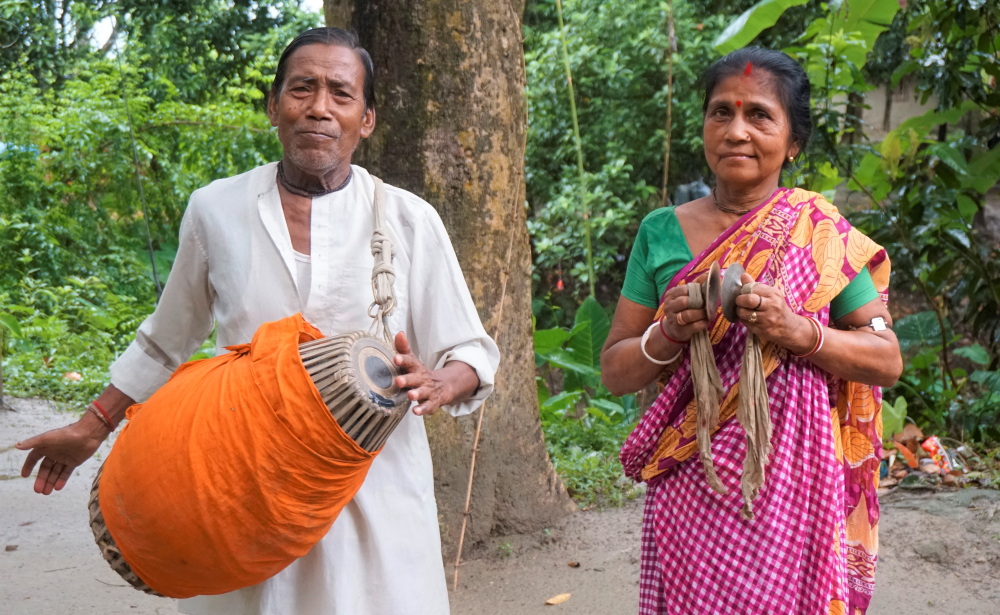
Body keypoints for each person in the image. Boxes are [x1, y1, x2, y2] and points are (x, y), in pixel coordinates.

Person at [15, 27, 499, 615]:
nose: (319, 107)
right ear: (274, 106)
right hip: (236, 487)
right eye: (302, 89)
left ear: (365, 119)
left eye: (341, 95)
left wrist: (443, 381)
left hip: (373, 491)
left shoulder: (409, 218)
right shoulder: (215, 208)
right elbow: (167, 341)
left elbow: (472, 351)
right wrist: (93, 426)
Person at [602, 47, 902, 615]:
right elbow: (617, 370)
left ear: (792, 142)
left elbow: (885, 358)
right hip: (694, 478)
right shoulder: (661, 233)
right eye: (722, 112)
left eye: (759, 115)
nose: (737, 131)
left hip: (795, 483)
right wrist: (666, 334)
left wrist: (799, 331)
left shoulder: (820, 233)